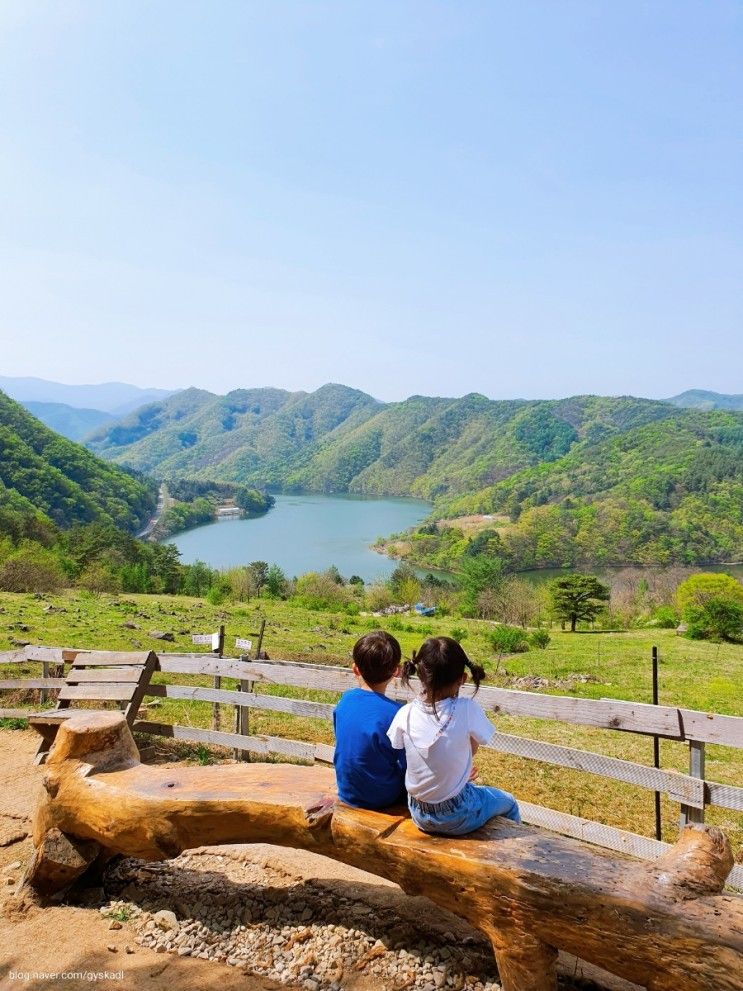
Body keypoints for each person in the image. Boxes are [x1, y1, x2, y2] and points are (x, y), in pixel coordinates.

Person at [387, 636, 520, 835]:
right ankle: (509, 851)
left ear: (421, 676)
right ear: (462, 679)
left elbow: (402, 747)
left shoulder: (405, 713)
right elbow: (476, 746)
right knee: (509, 802)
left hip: (418, 811)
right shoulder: (467, 708)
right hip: (457, 813)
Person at [333, 630, 407, 809]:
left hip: (347, 790)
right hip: (382, 796)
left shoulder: (345, 700)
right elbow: (408, 764)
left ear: (355, 669)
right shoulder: (397, 713)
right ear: (396, 671)